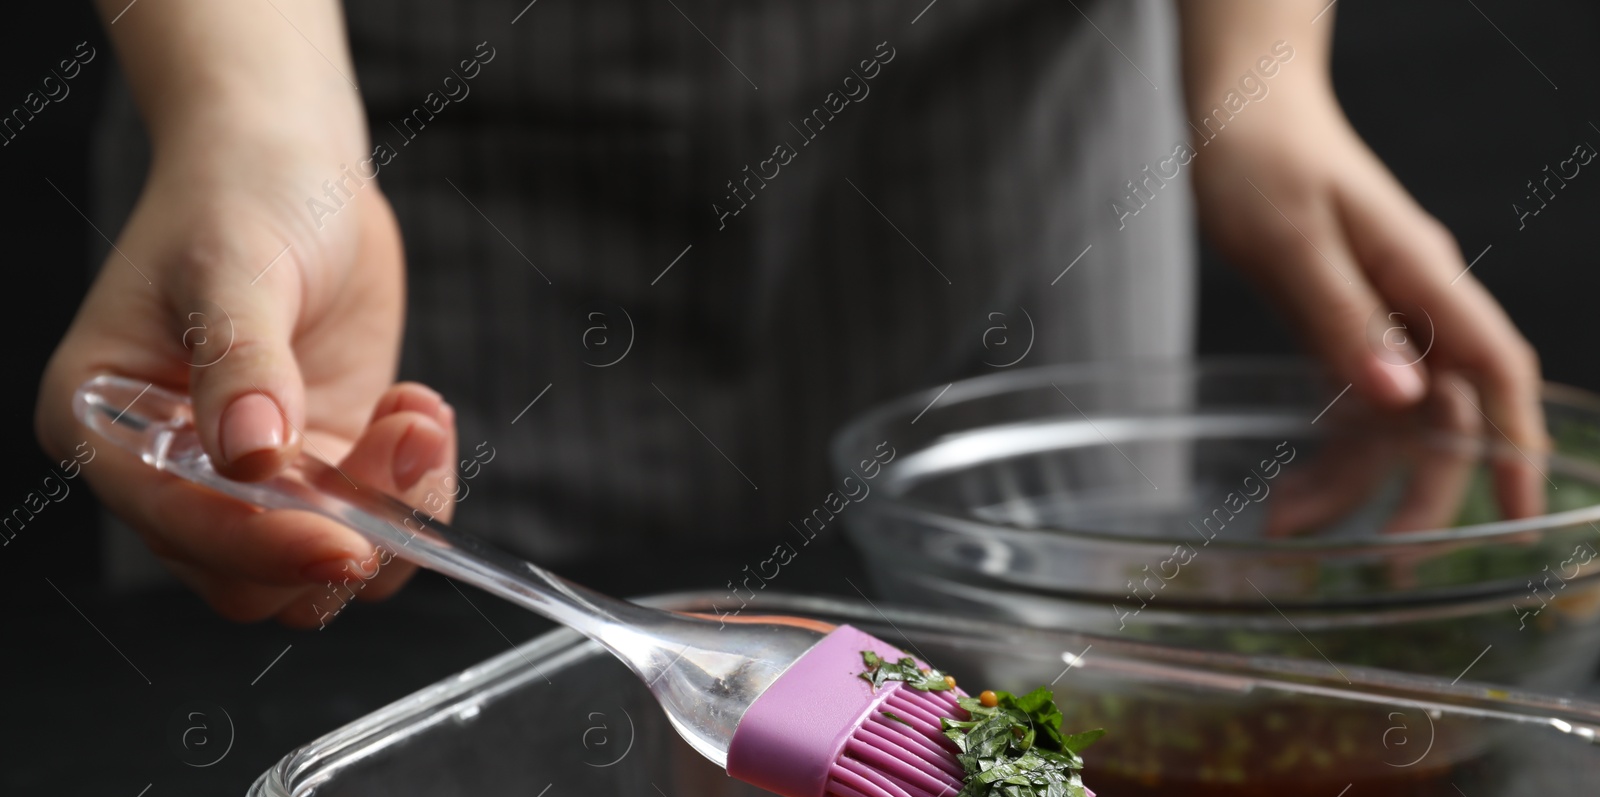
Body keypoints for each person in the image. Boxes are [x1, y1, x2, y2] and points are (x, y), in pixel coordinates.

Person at [36, 0, 1544, 627]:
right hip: (411, 137)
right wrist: (258, 126)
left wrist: (1263, 81)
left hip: (998, 128)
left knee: (1033, 733)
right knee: (359, 661)